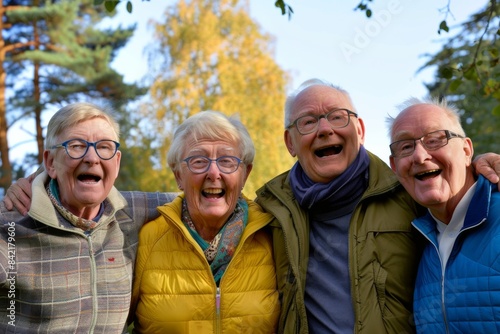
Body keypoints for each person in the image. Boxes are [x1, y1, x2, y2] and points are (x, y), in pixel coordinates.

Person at [254, 78, 500, 334]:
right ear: (290, 142)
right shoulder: (269, 210)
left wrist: (479, 167)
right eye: (308, 121)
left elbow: (450, 184)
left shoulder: (405, 192)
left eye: (338, 117)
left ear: (360, 130)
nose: (325, 129)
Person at [0, 102, 176, 333]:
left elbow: (199, 199)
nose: (92, 158)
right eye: (76, 145)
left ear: (117, 161)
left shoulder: (132, 212)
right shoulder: (9, 226)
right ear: (50, 162)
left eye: (104, 147)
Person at [128, 111, 280, 333]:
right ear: (179, 175)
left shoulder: (272, 234)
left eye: (227, 161)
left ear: (245, 174)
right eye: (199, 161)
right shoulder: (148, 238)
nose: (213, 172)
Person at [388, 98, 500, 333]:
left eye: (435, 139)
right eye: (406, 147)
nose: (420, 156)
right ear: (394, 167)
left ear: (467, 150)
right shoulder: (416, 238)